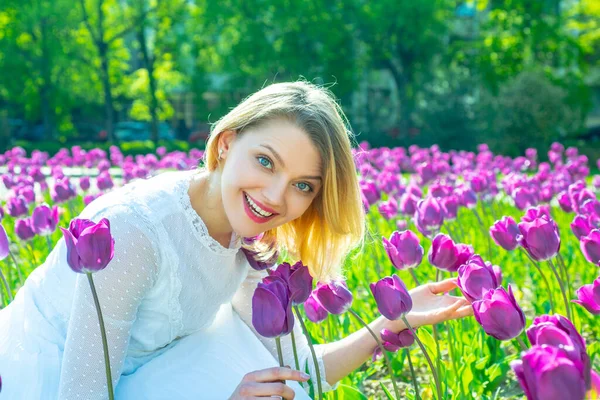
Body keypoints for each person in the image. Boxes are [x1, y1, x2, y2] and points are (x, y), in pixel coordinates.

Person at [0, 80, 473, 399]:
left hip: (144, 373)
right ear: (226, 144)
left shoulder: (251, 245)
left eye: (303, 185)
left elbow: (302, 370)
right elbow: (83, 394)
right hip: (50, 379)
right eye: (265, 161)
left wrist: (391, 322)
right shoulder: (133, 233)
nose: (274, 196)